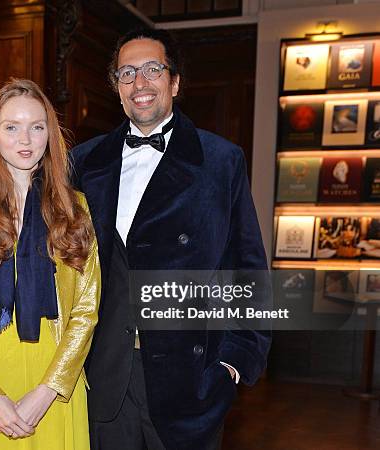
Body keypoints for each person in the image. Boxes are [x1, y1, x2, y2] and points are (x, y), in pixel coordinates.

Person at [69, 29, 271, 450]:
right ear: (116, 87)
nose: (139, 83)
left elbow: (247, 266)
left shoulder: (220, 161)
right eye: (127, 73)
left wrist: (234, 361)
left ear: (174, 83)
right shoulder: (84, 163)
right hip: (104, 377)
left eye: (152, 69)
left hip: (189, 382)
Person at [0, 78, 100, 450]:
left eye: (36, 127)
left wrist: (48, 391)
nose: (25, 139)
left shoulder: (76, 208)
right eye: (11, 127)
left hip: (55, 375)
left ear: (49, 135)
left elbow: (86, 311)